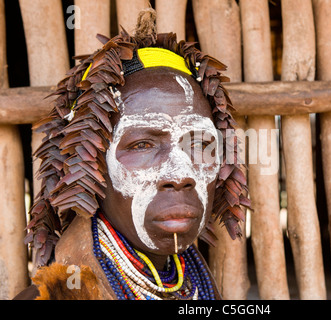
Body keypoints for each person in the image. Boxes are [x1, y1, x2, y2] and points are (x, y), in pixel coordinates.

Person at [14, 8, 250, 300]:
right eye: (142, 145)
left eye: (200, 144)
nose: (180, 175)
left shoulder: (200, 288)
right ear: (89, 166)